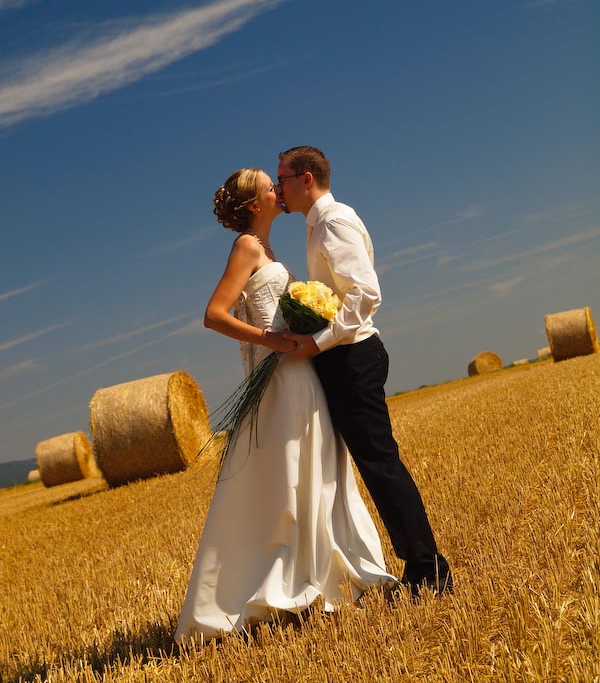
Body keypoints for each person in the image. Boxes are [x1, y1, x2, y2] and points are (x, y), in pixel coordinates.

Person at [175, 168, 395, 643]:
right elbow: (214, 315)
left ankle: (321, 573)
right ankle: (284, 580)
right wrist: (271, 340)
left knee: (317, 467)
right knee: (289, 471)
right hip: (278, 378)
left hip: (301, 373)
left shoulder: (269, 249)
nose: (278, 189)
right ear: (255, 204)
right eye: (268, 185)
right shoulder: (246, 247)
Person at [274, 146, 453, 596]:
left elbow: (366, 293)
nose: (279, 189)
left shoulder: (333, 222)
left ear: (307, 179)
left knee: (380, 464)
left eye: (283, 179)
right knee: (374, 466)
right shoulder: (319, 225)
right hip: (345, 358)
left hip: (353, 358)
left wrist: (316, 341)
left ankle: (430, 570)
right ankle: (418, 565)